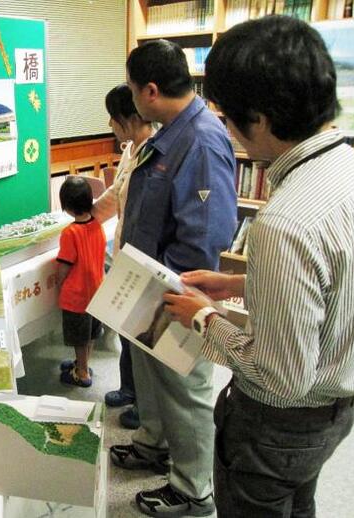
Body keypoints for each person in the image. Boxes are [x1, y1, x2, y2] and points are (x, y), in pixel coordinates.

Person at [163, 15, 354, 517]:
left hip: (278, 424)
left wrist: (204, 318)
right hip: (336, 410)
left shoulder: (285, 221)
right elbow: (336, 277)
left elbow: (280, 377)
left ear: (263, 119)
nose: (226, 131)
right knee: (297, 504)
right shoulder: (347, 168)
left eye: (228, 118)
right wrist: (237, 282)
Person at [108, 39, 238, 517]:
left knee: (185, 391)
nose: (131, 97)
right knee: (152, 377)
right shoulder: (168, 132)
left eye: (131, 88)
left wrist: (174, 290)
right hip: (148, 282)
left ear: (150, 90)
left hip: (179, 291)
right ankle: (154, 443)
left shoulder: (201, 139)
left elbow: (208, 233)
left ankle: (193, 489)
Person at [92, 83, 156, 428]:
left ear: (126, 119)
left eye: (112, 120)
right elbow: (116, 195)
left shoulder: (156, 150)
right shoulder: (131, 149)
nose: (110, 126)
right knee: (125, 329)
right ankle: (129, 389)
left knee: (142, 337)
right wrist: (87, 219)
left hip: (144, 260)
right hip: (123, 253)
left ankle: (145, 405)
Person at [56, 176, 106, 387]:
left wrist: (59, 283)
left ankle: (82, 373)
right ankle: (83, 363)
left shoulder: (70, 233)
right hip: (97, 292)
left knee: (79, 338)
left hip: (76, 297)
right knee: (91, 333)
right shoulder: (98, 226)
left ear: (66, 206)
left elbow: (65, 265)